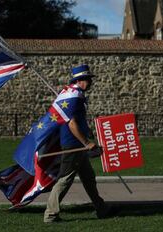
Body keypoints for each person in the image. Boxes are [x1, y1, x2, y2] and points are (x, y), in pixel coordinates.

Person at [44, 64, 114, 223]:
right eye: (89, 79)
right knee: (65, 179)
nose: (91, 82)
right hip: (73, 144)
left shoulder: (73, 94)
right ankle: (50, 214)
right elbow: (71, 123)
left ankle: (101, 209)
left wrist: (87, 131)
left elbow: (78, 120)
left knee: (88, 177)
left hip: (77, 145)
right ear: (81, 80)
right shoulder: (74, 97)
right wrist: (86, 142)